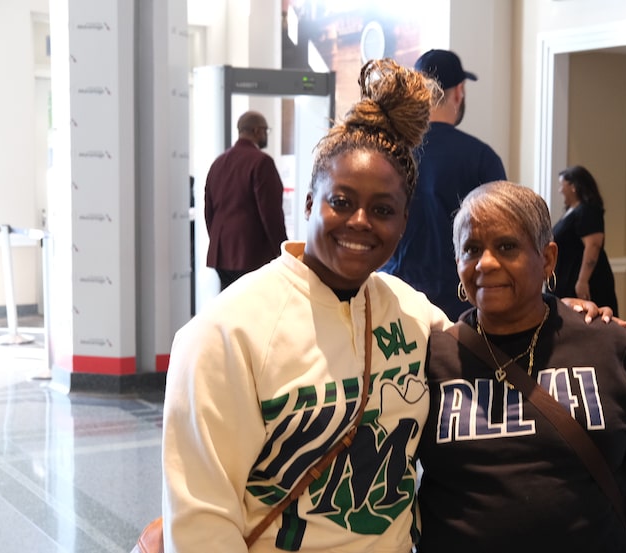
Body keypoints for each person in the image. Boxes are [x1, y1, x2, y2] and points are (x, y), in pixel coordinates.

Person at [163, 59, 452, 553]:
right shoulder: (225, 333)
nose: (360, 221)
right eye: (341, 201)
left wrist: (572, 319)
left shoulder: (414, 314)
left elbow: (494, 366)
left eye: (383, 210)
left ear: (403, 222)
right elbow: (201, 523)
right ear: (309, 204)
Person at [417, 181, 626, 552]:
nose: (485, 262)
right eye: (471, 249)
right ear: (458, 264)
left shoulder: (609, 346)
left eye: (506, 246)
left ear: (547, 258)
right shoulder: (433, 356)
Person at [381, 49, 506, 321]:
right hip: (459, 310)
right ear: (459, 92)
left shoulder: (385, 154)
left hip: (391, 303)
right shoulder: (481, 158)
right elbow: (504, 236)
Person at [204, 110, 288, 291]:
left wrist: (218, 241)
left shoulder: (218, 163)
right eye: (266, 130)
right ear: (257, 131)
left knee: (228, 307)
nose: (266, 135)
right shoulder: (262, 162)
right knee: (254, 310)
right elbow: (271, 214)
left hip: (222, 254)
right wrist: (283, 251)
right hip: (251, 253)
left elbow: (209, 211)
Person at [552, 164, 620, 315]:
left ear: (574, 186)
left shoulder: (587, 211)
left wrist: (582, 281)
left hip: (586, 281)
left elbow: (593, 245)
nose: (560, 190)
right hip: (567, 279)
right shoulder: (572, 211)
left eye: (562, 185)